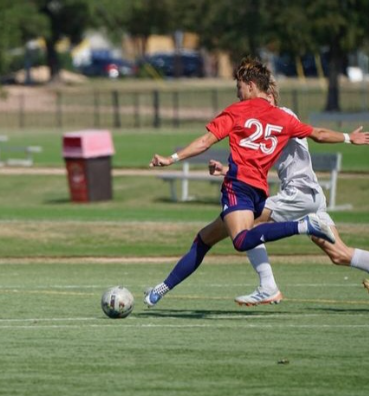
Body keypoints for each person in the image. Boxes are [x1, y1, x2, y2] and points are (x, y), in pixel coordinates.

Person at [143, 57, 369, 307]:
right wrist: (349, 137)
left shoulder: (268, 113)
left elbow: (206, 141)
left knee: (242, 237)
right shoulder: (282, 120)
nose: (238, 94)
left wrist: (172, 158)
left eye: (239, 87)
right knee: (339, 254)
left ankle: (270, 282)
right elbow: (311, 136)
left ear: (252, 86)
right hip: (304, 195)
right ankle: (160, 290)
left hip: (286, 194)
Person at [207, 79, 369, 305]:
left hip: (299, 195)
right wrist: (227, 170)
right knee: (339, 254)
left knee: (247, 223)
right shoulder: (271, 124)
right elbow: (257, 162)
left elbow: (319, 133)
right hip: (312, 197)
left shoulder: (281, 116)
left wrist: (348, 138)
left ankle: (268, 287)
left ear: (270, 97)